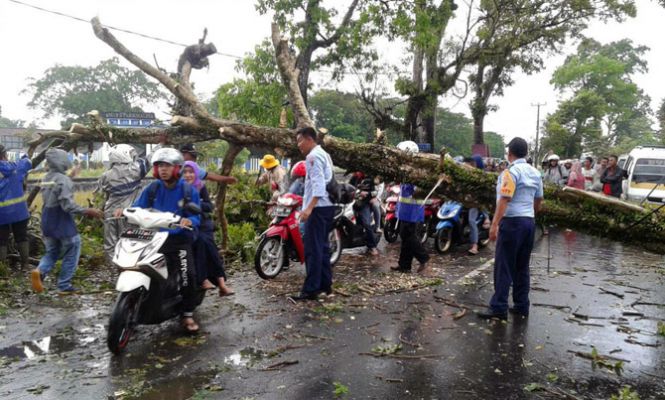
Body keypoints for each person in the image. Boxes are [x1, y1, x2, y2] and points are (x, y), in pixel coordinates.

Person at [119, 148, 202, 332]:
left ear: (177, 168)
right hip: (152, 238)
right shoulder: (152, 188)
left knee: (187, 275)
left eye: (167, 165)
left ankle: (187, 314)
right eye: (159, 166)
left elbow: (197, 217)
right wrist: (125, 211)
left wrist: (188, 220)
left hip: (178, 240)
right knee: (137, 265)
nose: (163, 169)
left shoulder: (188, 191)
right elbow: (138, 207)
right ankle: (134, 304)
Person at [477, 137, 543, 320]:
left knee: (504, 265)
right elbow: (538, 200)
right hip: (528, 222)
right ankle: (522, 305)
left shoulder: (510, 173)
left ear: (510, 153)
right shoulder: (535, 173)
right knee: (522, 266)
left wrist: (495, 224)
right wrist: (532, 215)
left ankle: (499, 307)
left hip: (512, 223)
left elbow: (504, 199)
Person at [30, 149, 104, 294]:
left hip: (47, 219)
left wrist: (71, 176)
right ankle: (64, 285)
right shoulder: (63, 180)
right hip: (60, 220)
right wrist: (89, 211)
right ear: (62, 162)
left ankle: (40, 271)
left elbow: (58, 186)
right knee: (73, 247)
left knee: (52, 251)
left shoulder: (47, 177)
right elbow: (67, 205)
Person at [289, 127, 336, 301]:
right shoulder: (324, 153)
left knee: (312, 250)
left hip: (317, 208)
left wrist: (308, 208)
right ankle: (326, 285)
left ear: (309, 139)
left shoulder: (312, 157)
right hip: (327, 207)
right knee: (322, 248)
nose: (298, 145)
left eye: (300, 141)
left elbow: (318, 186)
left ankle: (311, 290)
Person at [182, 161, 234, 297]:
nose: (188, 175)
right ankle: (202, 279)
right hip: (183, 223)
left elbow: (209, 207)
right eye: (184, 172)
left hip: (202, 222)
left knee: (207, 245)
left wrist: (194, 203)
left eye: (190, 172)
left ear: (195, 173)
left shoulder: (200, 186)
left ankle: (221, 284)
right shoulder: (177, 188)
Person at [97, 144, 150, 261]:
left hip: (110, 212)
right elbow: (149, 159)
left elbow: (101, 195)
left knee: (110, 244)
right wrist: (160, 144)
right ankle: (130, 266)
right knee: (131, 241)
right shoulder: (135, 170)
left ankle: (116, 269)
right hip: (128, 212)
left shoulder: (105, 176)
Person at [390, 141, 430, 275]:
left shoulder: (416, 170)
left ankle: (424, 258)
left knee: (410, 237)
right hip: (405, 210)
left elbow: (418, 190)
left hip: (413, 211)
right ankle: (404, 265)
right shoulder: (405, 168)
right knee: (405, 237)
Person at [0, 145, 32, 269]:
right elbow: (27, 162)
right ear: (4, 155)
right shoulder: (16, 167)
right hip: (19, 212)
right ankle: (25, 266)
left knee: (1, 240)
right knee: (22, 237)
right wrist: (25, 155)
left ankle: (2, 270)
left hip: (1, 215)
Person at [465, 155, 487, 255]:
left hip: (475, 202)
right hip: (464, 199)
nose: (471, 165)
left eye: (473, 163)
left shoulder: (482, 176)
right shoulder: (467, 173)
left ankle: (475, 245)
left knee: (471, 220)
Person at [353, 175, 379, 256]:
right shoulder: (355, 177)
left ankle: (372, 246)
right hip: (355, 204)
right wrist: (359, 192)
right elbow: (350, 187)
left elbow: (375, 192)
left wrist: (367, 194)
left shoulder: (371, 178)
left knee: (366, 224)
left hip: (365, 204)